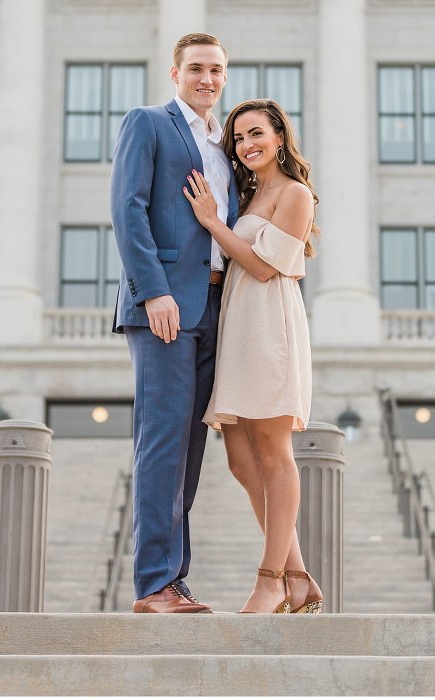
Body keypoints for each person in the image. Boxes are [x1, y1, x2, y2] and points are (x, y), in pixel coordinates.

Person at [110, 32, 237, 614]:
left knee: (189, 448)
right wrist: (153, 293)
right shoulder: (149, 123)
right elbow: (127, 208)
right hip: (163, 307)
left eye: (215, 69)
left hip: (213, 307)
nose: (206, 78)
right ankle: (153, 584)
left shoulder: (225, 142)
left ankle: (174, 578)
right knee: (161, 443)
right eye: (196, 69)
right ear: (175, 72)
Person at [183, 98, 322, 615]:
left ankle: (271, 579)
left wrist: (213, 223)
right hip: (236, 327)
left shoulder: (296, 194)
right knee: (242, 462)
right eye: (238, 139)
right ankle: (299, 575)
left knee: (272, 452)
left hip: (270, 328)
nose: (247, 145)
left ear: (280, 137)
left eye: (256, 134)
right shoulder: (249, 194)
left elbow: (266, 267)